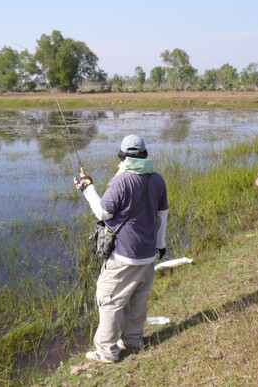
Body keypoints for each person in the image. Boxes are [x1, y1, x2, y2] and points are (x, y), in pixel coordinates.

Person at [74, 134, 168, 363]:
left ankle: (106, 352)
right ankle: (133, 341)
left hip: (124, 256)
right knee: (138, 298)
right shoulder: (157, 179)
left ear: (122, 155)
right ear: (145, 154)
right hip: (147, 255)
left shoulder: (122, 180)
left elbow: (104, 213)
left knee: (107, 298)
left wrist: (87, 188)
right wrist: (161, 246)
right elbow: (162, 216)